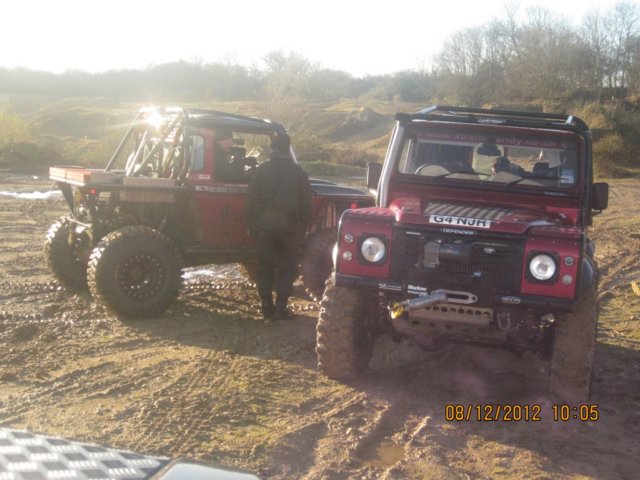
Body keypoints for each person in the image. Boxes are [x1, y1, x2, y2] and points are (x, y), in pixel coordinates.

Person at [245, 133, 313, 320]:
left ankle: (266, 306)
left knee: (265, 267)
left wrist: (251, 226)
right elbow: (306, 205)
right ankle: (281, 307)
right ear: (287, 149)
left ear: (272, 148)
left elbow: (250, 201)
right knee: (286, 268)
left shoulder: (261, 170)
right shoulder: (298, 172)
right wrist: (303, 229)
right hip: (288, 229)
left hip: (263, 228)